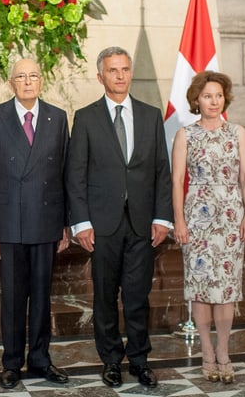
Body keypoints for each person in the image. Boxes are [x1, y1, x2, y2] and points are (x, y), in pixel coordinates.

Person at [66, 46, 173, 388]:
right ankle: (111, 360)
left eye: (125, 69)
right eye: (113, 70)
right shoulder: (85, 117)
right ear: (101, 76)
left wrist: (162, 218)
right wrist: (81, 222)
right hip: (102, 224)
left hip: (142, 223)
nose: (120, 75)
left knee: (138, 295)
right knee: (105, 296)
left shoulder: (150, 115)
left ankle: (140, 360)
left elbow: (161, 171)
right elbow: (76, 174)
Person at [0, 58, 70, 390]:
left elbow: (64, 174)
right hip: (9, 223)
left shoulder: (57, 118)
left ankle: (41, 360)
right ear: (11, 82)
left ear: (41, 80)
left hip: (46, 221)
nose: (28, 82)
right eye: (21, 77)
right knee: (13, 297)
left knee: (42, 296)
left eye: (33, 75)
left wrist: (66, 224)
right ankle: (12, 362)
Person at [171, 71, 245, 384]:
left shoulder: (238, 133)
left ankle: (223, 351)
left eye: (218, 95)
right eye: (207, 96)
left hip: (231, 218)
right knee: (202, 289)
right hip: (197, 219)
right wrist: (179, 220)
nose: (213, 101)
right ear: (196, 100)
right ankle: (206, 351)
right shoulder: (186, 135)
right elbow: (177, 180)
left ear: (224, 99)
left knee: (226, 290)